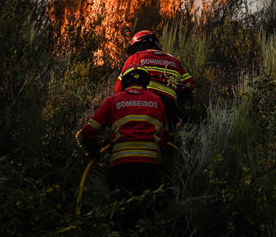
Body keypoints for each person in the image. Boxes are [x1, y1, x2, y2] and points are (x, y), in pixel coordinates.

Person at [80, 68, 170, 196]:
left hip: (121, 166)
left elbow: (89, 130)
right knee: (150, 208)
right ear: (146, 82)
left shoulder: (112, 101)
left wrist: (94, 152)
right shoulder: (157, 101)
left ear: (124, 82)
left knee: (121, 209)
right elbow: (166, 136)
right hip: (151, 165)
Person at [114, 30, 195, 131]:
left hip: (143, 104)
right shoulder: (174, 60)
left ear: (137, 45)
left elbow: (118, 88)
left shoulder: (134, 58)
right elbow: (189, 84)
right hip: (169, 107)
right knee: (167, 139)